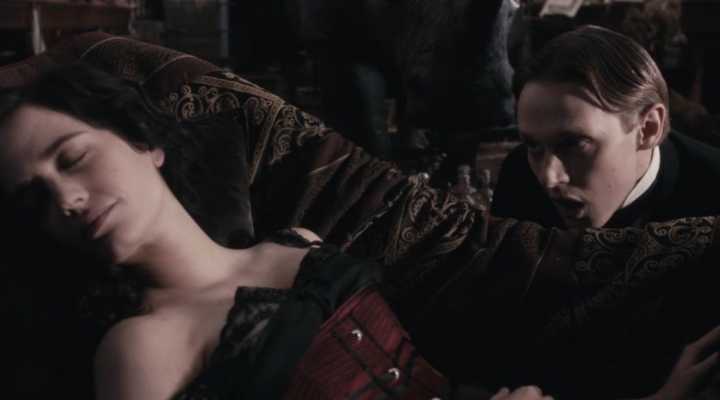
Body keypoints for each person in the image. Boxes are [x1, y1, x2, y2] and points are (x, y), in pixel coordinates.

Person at [2, 63, 719, 400]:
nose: (66, 199)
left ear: (142, 140)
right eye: (34, 199)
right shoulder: (137, 351)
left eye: (73, 158)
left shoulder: (299, 244)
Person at [492, 25, 720, 229]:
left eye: (572, 144)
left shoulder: (713, 191)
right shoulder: (518, 176)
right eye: (533, 146)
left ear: (649, 128)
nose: (549, 178)